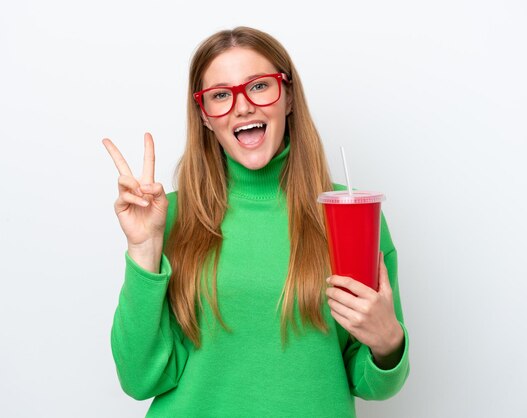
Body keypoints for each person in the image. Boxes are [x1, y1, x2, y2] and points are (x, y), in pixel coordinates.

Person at [103, 26, 409, 417]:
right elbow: (139, 378)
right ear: (205, 117)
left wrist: (388, 343)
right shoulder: (169, 216)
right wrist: (144, 250)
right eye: (220, 96)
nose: (242, 107)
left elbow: (370, 381)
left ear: (289, 96)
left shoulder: (348, 214)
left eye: (259, 86)